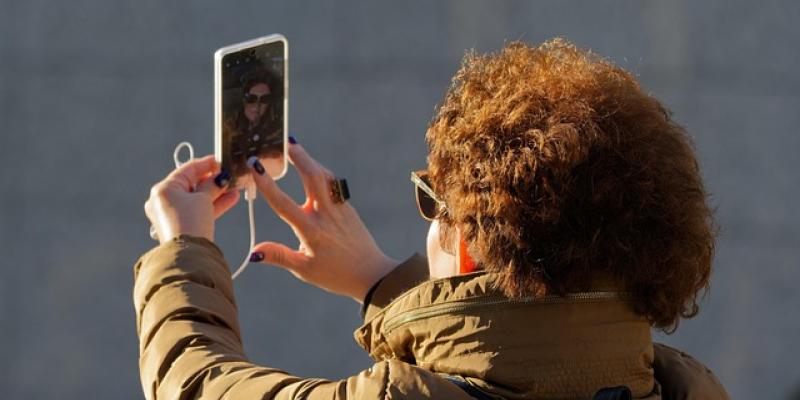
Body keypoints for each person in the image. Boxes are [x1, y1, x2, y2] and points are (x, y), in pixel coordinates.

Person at [137, 39, 729, 399]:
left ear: (469, 244)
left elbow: (197, 384)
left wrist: (184, 247)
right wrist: (379, 281)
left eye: (431, 199)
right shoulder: (690, 389)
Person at [224, 69, 283, 178]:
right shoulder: (228, 126)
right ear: (244, 100)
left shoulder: (277, 130)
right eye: (251, 98)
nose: (257, 105)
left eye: (264, 99)